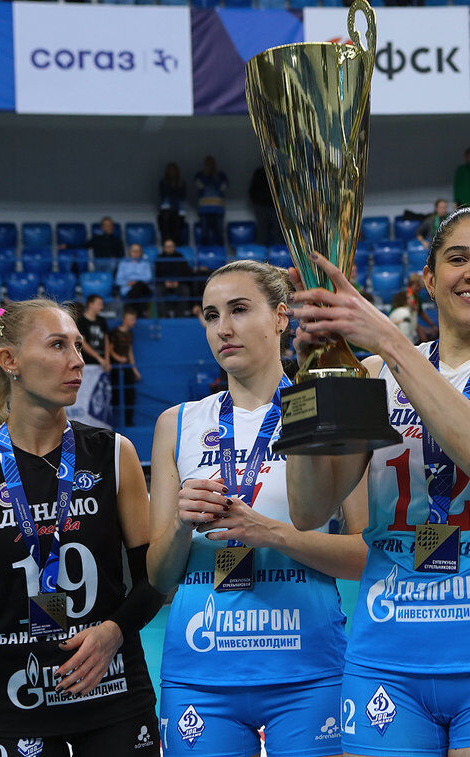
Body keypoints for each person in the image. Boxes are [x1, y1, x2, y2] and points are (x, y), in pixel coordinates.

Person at [285, 206, 470, 755]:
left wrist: (388, 341)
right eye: (457, 258)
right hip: (386, 655)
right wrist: (309, 383)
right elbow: (310, 509)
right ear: (428, 278)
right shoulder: (374, 374)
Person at [0, 299, 163, 755]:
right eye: (57, 345)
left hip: (113, 695)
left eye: (78, 345)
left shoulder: (114, 453)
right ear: (9, 361)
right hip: (14, 703)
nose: (78, 360)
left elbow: (154, 582)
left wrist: (113, 631)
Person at [147, 260, 367, 757]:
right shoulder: (176, 424)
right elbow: (159, 577)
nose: (223, 328)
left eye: (240, 309)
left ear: (282, 317)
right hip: (201, 671)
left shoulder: (328, 407)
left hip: (307, 668)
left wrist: (269, 532)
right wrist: (181, 525)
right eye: (211, 315)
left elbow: (365, 555)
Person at [108, 306, 142, 427]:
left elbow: (129, 351)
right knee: (116, 394)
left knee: (130, 394)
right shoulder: (114, 332)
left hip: (126, 367)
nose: (134, 322)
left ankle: (128, 420)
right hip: (116, 367)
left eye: (134, 319)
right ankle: (114, 421)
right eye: (131, 319)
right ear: (124, 319)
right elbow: (110, 349)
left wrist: (134, 369)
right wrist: (118, 358)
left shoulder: (130, 334)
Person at [155, 238, 196, 318]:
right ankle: (164, 316)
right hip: (164, 283)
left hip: (178, 283)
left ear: (174, 247)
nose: (169, 248)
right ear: (164, 248)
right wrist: (164, 282)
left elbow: (187, 272)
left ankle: (179, 315)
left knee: (185, 290)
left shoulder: (180, 257)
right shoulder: (159, 258)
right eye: (167, 246)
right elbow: (156, 274)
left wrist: (178, 282)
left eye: (171, 246)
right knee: (158, 291)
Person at [195, 156, 228, 246]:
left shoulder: (221, 175)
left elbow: (223, 187)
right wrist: (206, 175)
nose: (210, 166)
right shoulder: (200, 175)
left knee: (219, 233)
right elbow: (200, 186)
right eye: (208, 164)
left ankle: (220, 250)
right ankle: (204, 252)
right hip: (204, 209)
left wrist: (215, 177)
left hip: (218, 208)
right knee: (204, 232)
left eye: (212, 164)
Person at [116, 243, 154, 316]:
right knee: (136, 292)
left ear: (141, 253)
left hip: (143, 287)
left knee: (138, 285)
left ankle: (130, 313)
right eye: (134, 251)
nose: (136, 253)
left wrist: (135, 281)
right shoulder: (123, 263)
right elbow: (118, 280)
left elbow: (148, 278)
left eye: (138, 251)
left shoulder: (145, 263)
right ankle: (140, 314)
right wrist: (128, 283)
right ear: (130, 252)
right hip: (128, 288)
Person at [76, 294, 110, 374]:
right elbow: (83, 343)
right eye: (99, 304)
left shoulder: (102, 320)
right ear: (90, 304)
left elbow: (106, 340)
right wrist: (99, 358)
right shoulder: (81, 321)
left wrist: (107, 359)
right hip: (87, 362)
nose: (101, 307)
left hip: (102, 363)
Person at [249, 166, 282, 247]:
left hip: (273, 207)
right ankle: (260, 252)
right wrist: (257, 202)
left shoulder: (276, 173)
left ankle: (278, 251)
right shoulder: (259, 173)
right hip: (262, 206)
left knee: (277, 231)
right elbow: (252, 190)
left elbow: (279, 190)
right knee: (262, 231)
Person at [158, 162, 188, 246]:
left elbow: (183, 196)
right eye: (170, 170)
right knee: (164, 223)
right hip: (166, 210)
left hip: (178, 210)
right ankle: (167, 245)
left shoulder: (181, 182)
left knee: (178, 228)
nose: (172, 172)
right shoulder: (163, 182)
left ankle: (176, 245)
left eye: (173, 170)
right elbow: (164, 195)